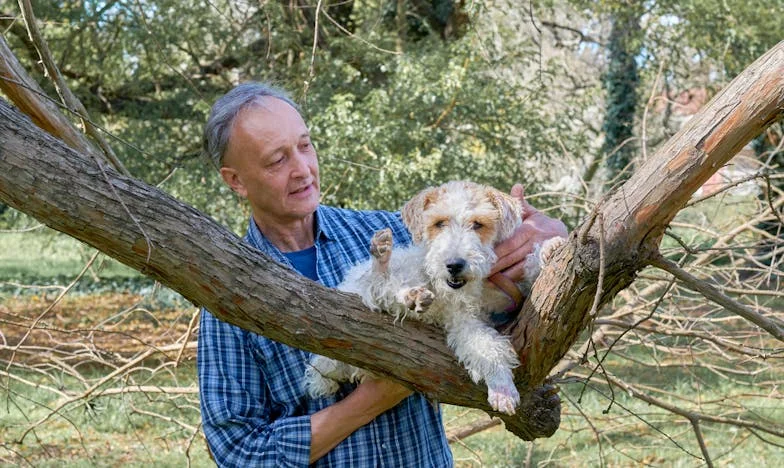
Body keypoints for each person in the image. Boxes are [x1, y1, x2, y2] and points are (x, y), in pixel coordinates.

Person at [197, 82, 568, 466]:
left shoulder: (389, 232)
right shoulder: (228, 298)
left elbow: (482, 236)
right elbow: (238, 450)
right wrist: (371, 400)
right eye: (277, 160)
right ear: (235, 181)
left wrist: (549, 239)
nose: (302, 169)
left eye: (305, 146)